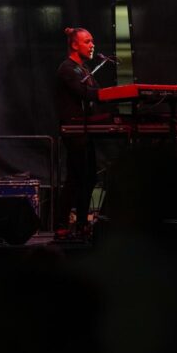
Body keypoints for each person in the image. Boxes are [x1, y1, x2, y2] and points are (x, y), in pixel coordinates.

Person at [55, 27, 107, 240]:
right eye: (87, 41)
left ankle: (82, 223)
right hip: (74, 130)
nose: (92, 45)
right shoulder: (67, 69)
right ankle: (62, 224)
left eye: (92, 41)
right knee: (76, 178)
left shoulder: (84, 69)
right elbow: (84, 92)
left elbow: (98, 92)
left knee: (89, 177)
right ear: (74, 45)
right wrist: (106, 95)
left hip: (86, 130)